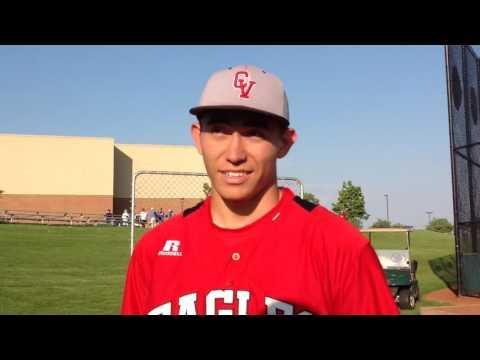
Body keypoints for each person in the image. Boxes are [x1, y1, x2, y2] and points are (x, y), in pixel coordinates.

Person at [122, 65, 399, 315]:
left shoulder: (340, 247)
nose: (234, 153)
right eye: (219, 130)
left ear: (285, 143)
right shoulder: (154, 250)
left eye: (254, 133)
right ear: (198, 138)